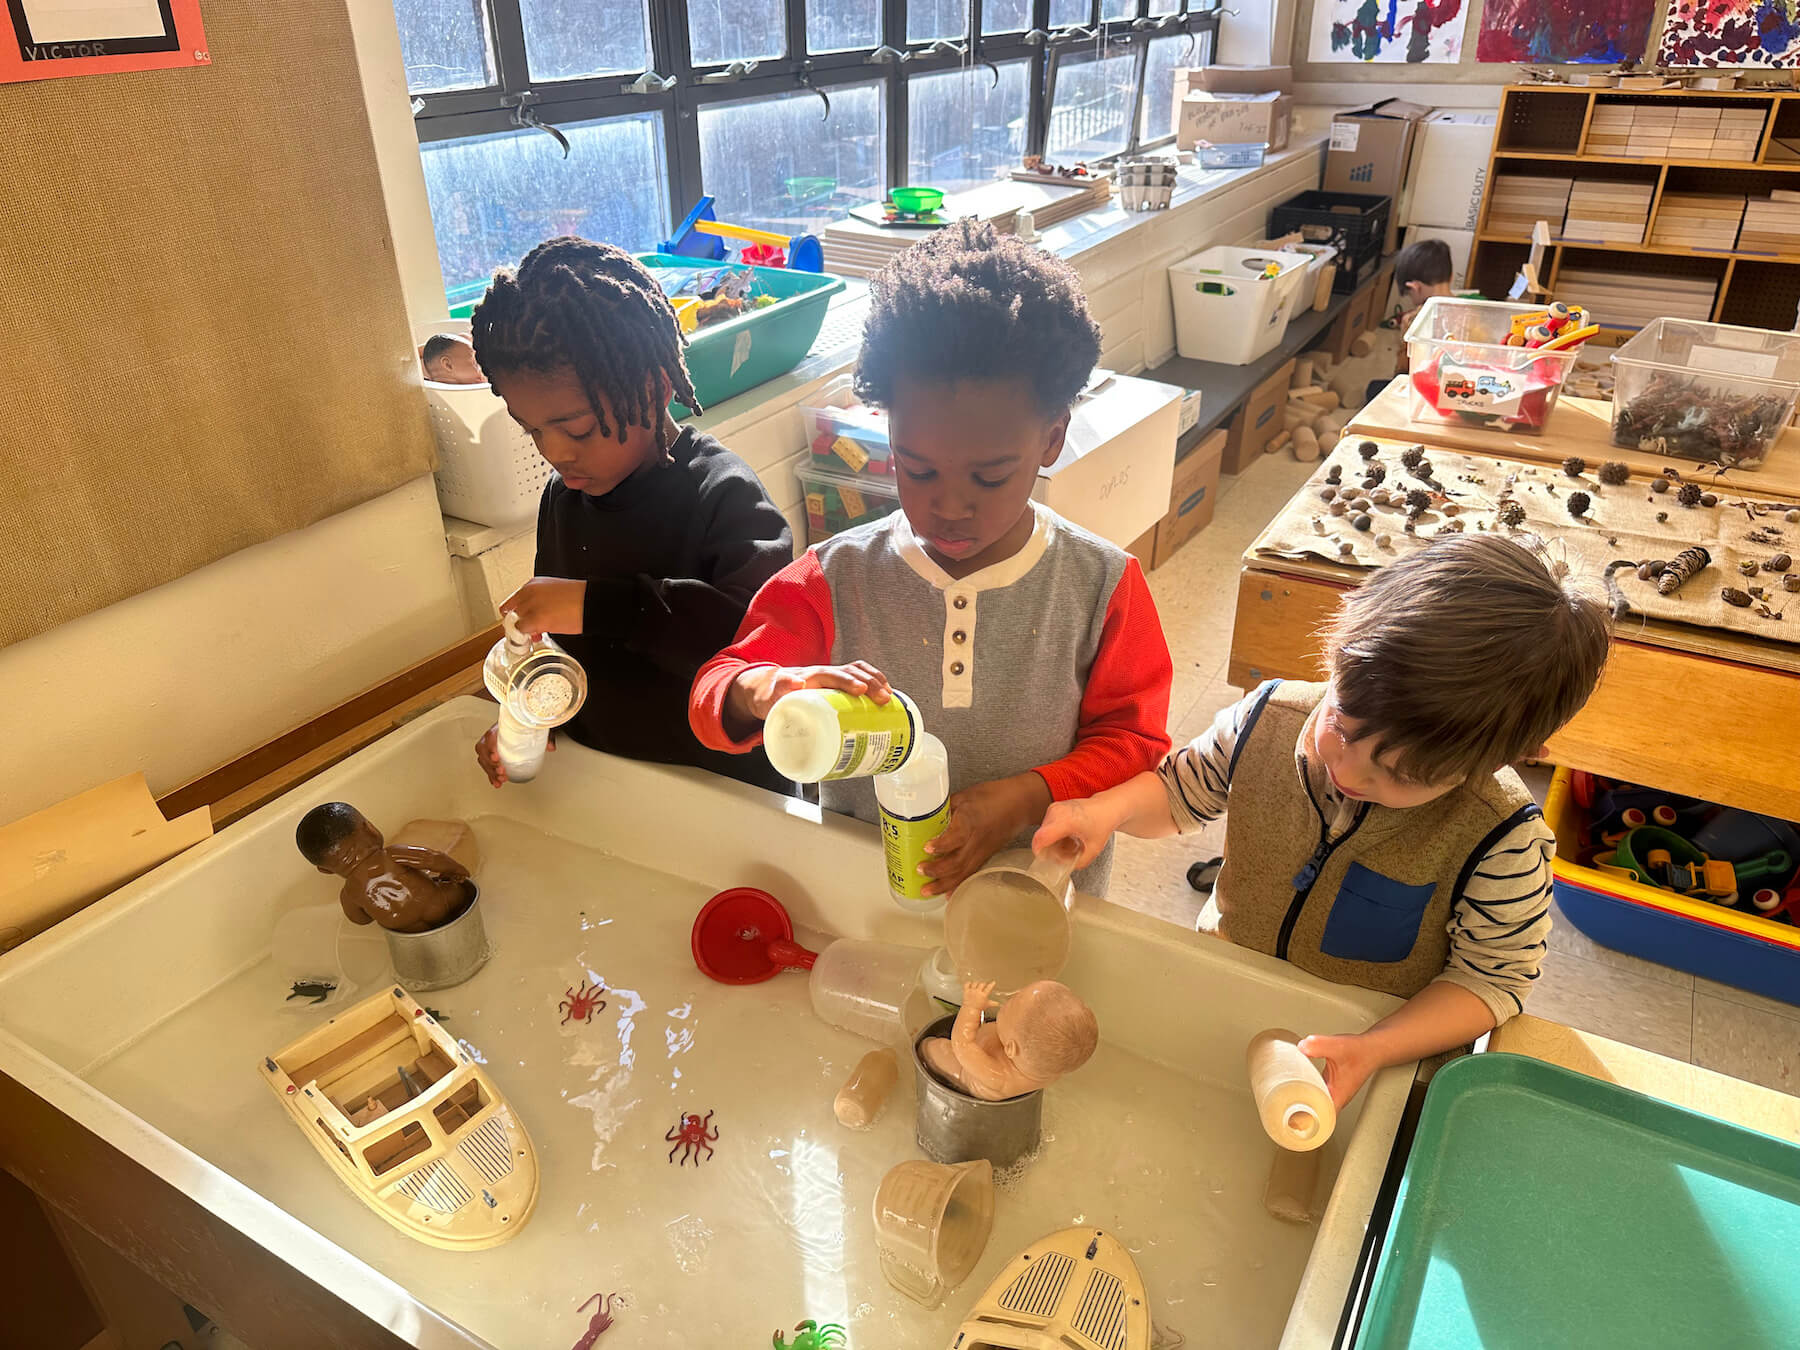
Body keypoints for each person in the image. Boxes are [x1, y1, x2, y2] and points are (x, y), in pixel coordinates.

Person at [1034, 534, 1611, 1109]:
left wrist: (1378, 1046)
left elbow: (1490, 982)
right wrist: (1106, 809)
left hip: (1375, 1048)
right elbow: (1180, 793)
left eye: (1400, 776)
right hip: (1227, 990)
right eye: (1342, 725)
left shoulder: (1503, 840)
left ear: (1492, 760)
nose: (1349, 770)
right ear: (1337, 656)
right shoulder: (1267, 717)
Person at [689, 220, 1173, 898]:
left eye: (988, 477)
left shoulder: (1101, 585)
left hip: (1033, 904)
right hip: (863, 895)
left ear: (1051, 438)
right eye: (916, 469)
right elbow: (715, 694)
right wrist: (766, 691)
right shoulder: (835, 577)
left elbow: (1137, 744)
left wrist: (1029, 796)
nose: (950, 507)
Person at [469, 237, 794, 793]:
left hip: (726, 791)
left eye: (576, 430)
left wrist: (599, 606)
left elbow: (756, 646)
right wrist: (538, 708)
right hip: (610, 780)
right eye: (532, 430)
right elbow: (578, 647)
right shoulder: (564, 497)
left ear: (652, 388)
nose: (555, 452)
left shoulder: (723, 492)